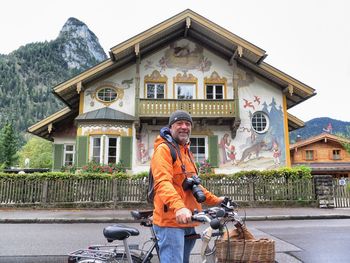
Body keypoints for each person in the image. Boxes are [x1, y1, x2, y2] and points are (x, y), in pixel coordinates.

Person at [150, 110, 225, 263]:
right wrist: (179, 207)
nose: (184, 127)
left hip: (188, 219)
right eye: (179, 123)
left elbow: (193, 185)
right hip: (171, 220)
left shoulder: (186, 152)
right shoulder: (164, 149)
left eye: (187, 124)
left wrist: (217, 200)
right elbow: (162, 182)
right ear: (171, 127)